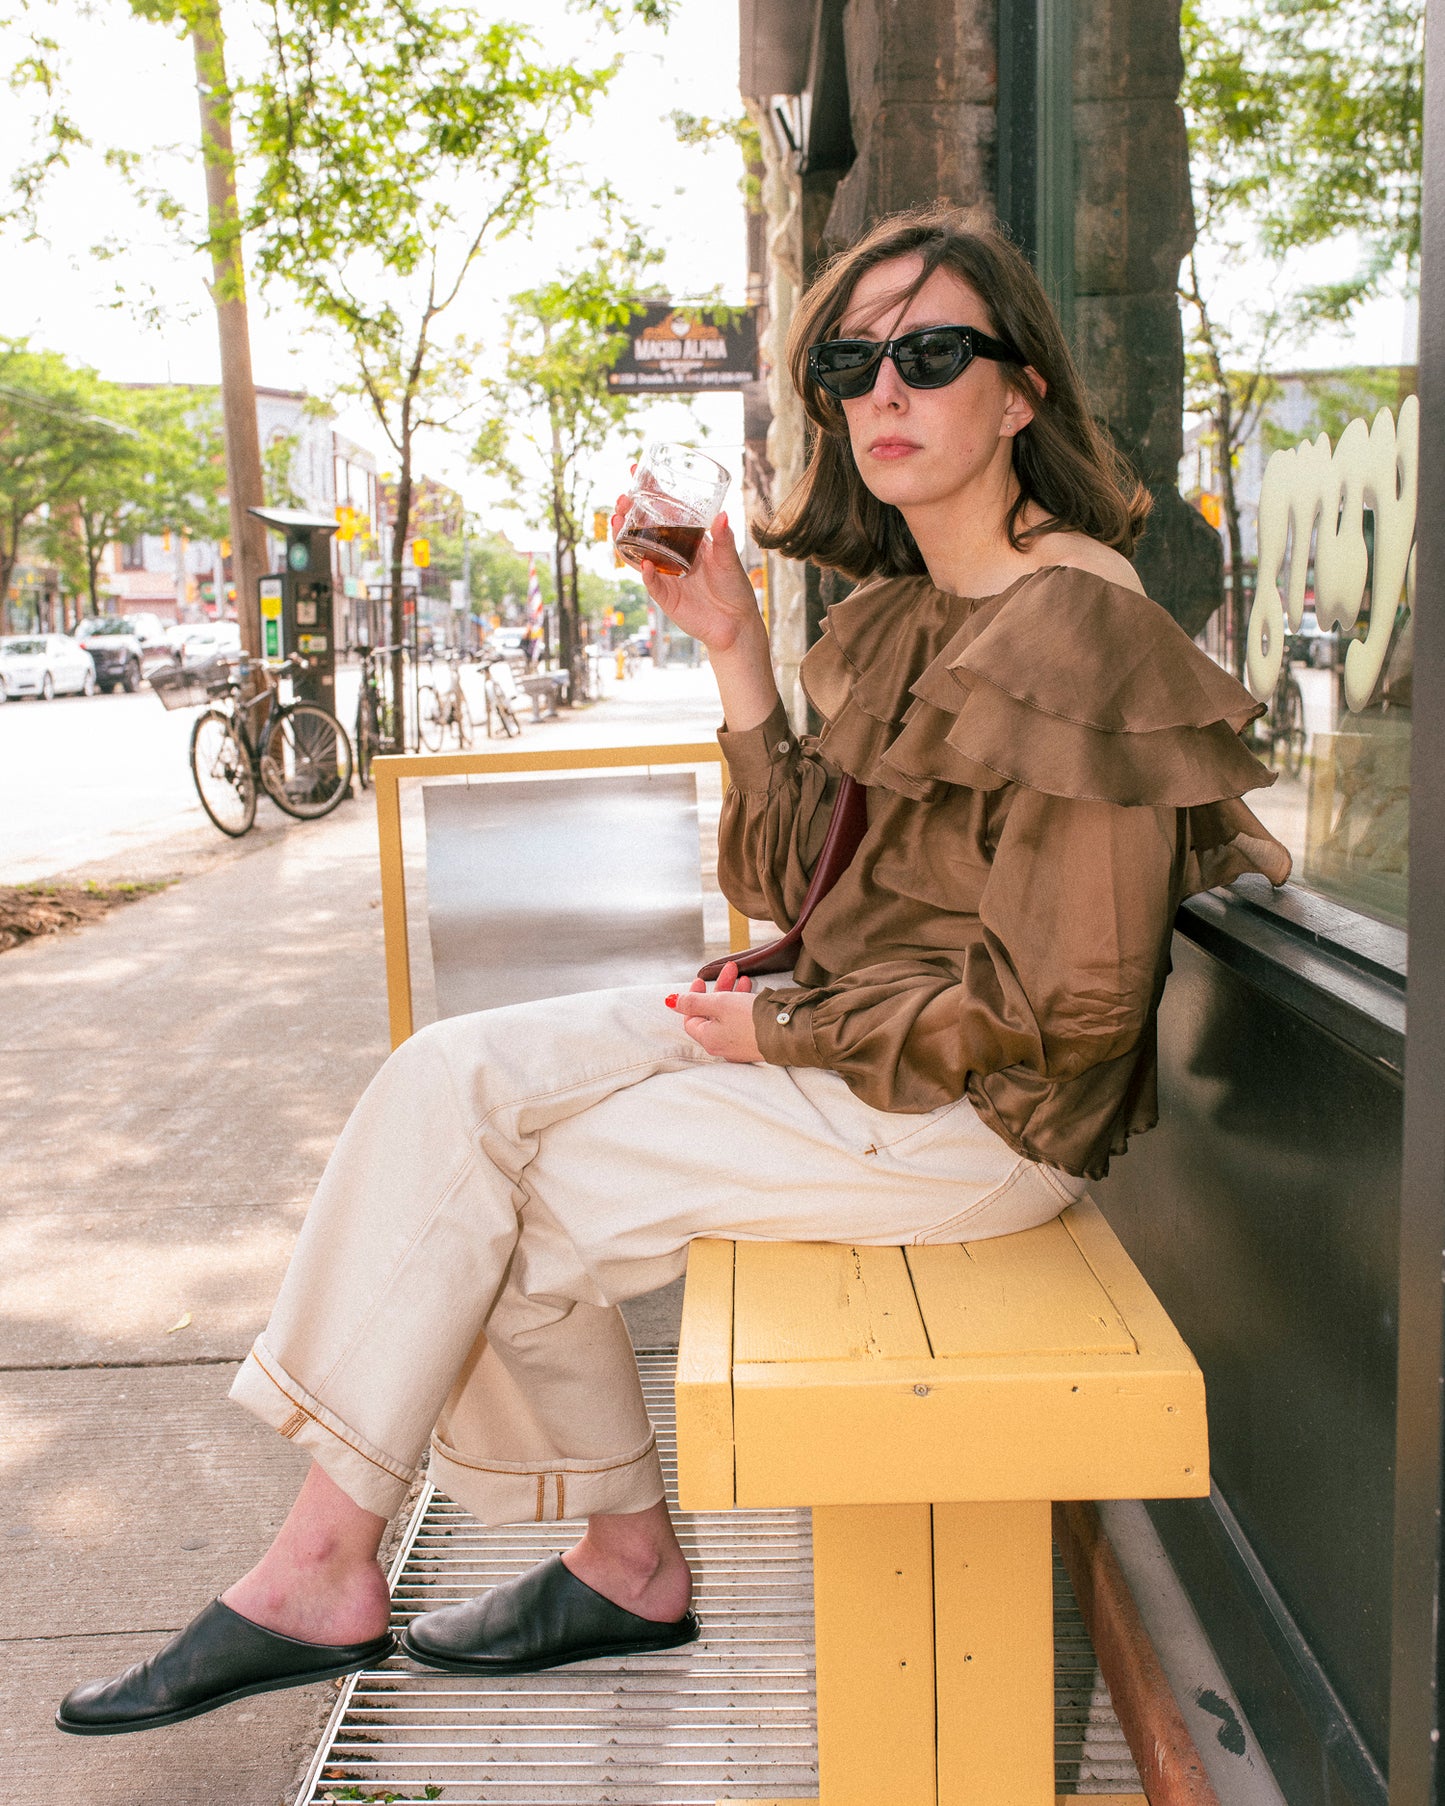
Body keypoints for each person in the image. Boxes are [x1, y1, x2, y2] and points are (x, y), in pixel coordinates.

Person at [56, 207, 1288, 1737]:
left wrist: (782, 1029)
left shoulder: (1076, 628)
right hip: (842, 1059)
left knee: (496, 1191)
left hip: (968, 1123)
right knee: (452, 1096)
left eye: (932, 352)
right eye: (852, 361)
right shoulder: (909, 614)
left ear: (1019, 391)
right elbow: (788, 876)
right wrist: (730, 652)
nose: (885, 391)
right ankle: (538, 1553)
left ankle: (402, 1560)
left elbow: (1074, 1012)